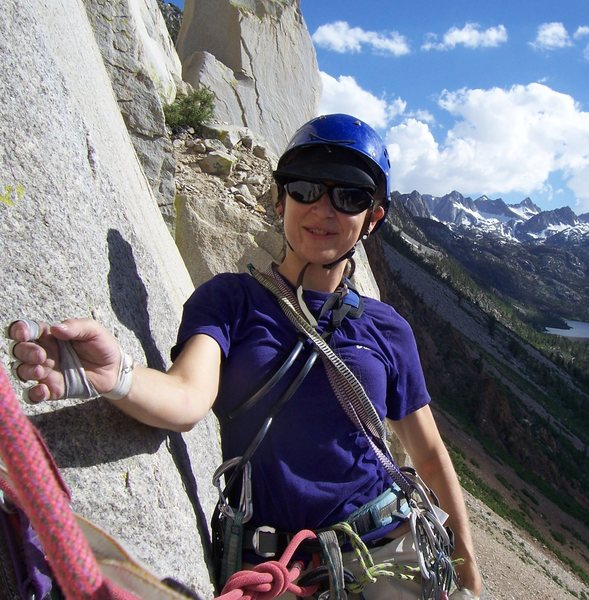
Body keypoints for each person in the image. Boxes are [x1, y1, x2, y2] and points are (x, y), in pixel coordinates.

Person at [7, 114, 482, 599]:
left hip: (381, 551)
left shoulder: (388, 329)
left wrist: (467, 570)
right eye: (305, 188)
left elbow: (426, 452)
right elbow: (187, 397)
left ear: (373, 218)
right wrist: (115, 374)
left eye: (350, 196)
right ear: (280, 200)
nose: (324, 208)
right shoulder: (229, 302)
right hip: (271, 567)